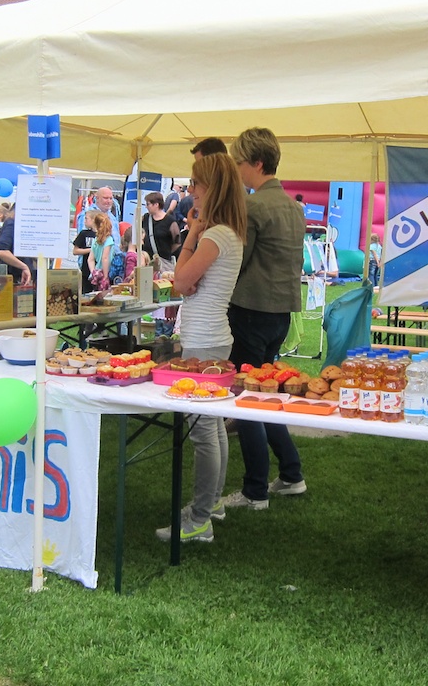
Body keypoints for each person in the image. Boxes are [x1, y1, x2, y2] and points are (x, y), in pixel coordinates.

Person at [156, 152, 247, 543]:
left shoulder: (214, 235)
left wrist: (192, 232)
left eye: (195, 184)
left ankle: (200, 518)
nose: (190, 190)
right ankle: (210, 505)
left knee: (202, 430)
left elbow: (180, 282)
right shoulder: (228, 233)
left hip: (205, 337)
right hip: (212, 334)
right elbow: (187, 282)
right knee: (213, 427)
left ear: (212, 187)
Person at [221, 127, 307, 511]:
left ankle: (255, 489)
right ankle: (290, 473)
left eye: (240, 162)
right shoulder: (293, 206)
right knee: (266, 393)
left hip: (252, 311)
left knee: (250, 398)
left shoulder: (254, 207)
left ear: (256, 163)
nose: (237, 170)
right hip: (280, 312)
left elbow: (238, 262)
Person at [0, 205, 36, 288]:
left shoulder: (20, 224)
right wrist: (24, 267)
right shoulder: (12, 223)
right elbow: (1, 251)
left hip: (20, 277)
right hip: (13, 277)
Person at [142, 191, 181, 272]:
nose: (146, 206)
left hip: (164, 262)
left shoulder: (170, 221)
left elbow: (177, 242)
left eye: (148, 204)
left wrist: (166, 252)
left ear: (156, 204)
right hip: (146, 261)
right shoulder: (145, 218)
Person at [87, 212, 116, 291]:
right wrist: (105, 276)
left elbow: (90, 259)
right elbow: (105, 258)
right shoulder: (109, 239)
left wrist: (94, 272)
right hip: (107, 272)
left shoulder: (96, 240)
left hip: (96, 276)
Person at [73, 209, 97, 294]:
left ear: (94, 220)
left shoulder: (101, 235)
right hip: (86, 271)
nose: (85, 221)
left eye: (86, 219)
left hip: (99, 271)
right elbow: (75, 251)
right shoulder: (84, 234)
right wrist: (91, 250)